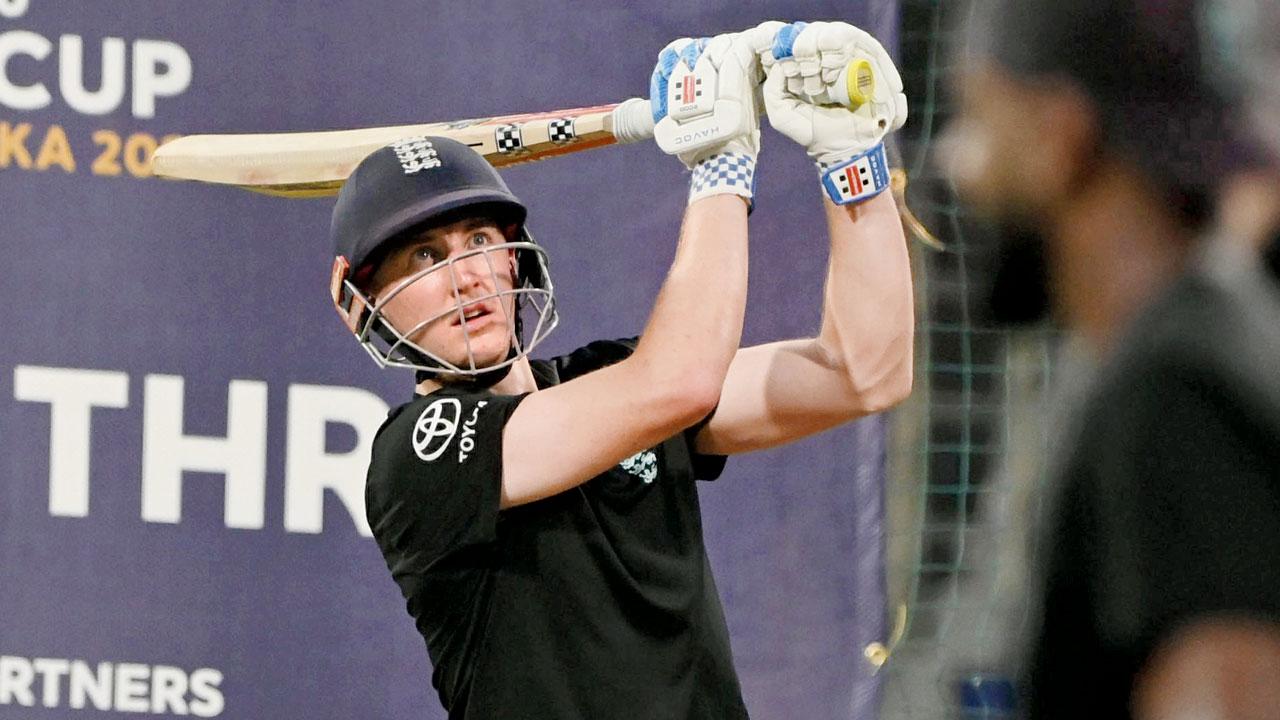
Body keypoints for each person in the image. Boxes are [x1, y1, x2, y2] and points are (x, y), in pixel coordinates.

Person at [328, 22, 913, 720]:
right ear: (361, 302)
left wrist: (851, 160)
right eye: (425, 256)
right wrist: (719, 167)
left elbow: (863, 372)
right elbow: (679, 383)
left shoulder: (612, 377)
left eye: (480, 239)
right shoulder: (417, 455)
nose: (467, 277)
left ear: (514, 255)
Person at [943, 0, 1280, 718]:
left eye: (978, 122)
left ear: (1061, 135)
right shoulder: (1186, 352)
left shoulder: (1178, 395)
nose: (958, 168)